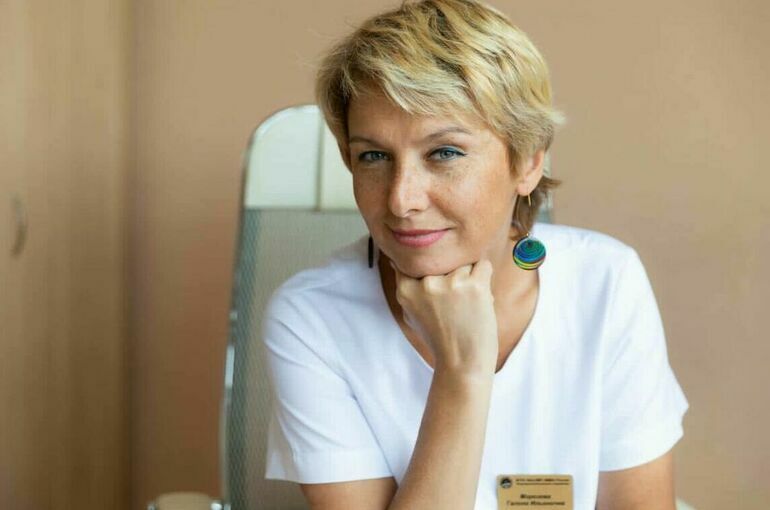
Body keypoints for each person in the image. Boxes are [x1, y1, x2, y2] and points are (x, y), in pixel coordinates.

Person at [261, 0, 689, 509]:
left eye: (444, 153)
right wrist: (461, 371)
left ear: (528, 162)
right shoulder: (312, 316)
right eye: (373, 156)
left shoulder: (605, 282)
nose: (401, 199)